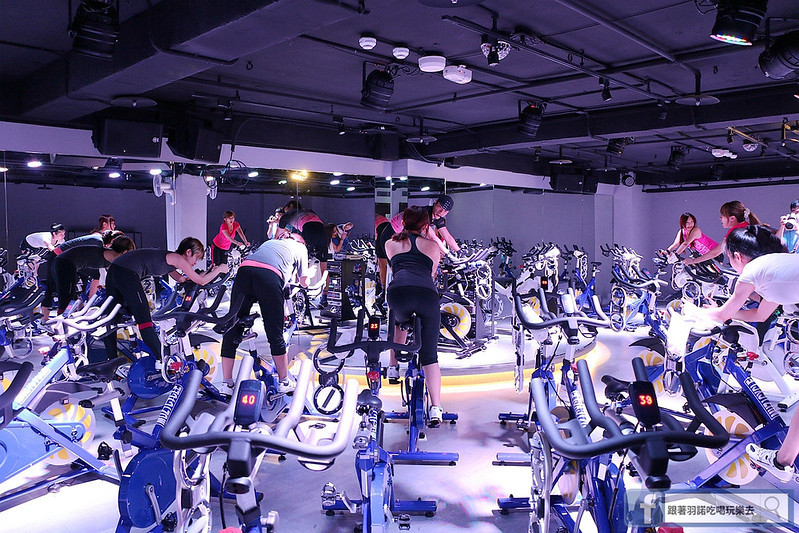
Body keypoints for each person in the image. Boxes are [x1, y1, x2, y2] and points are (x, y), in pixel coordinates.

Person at [691, 225, 797, 482]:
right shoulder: (776, 268)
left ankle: (782, 462)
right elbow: (759, 314)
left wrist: (696, 312)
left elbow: (723, 314)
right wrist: (721, 313)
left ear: (737, 256)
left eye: (729, 258)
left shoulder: (752, 271)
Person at [218, 225, 313, 396]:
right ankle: (284, 381)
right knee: (274, 331)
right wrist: (311, 275)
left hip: (244, 271)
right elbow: (304, 282)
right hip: (269, 277)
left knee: (233, 326)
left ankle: (227, 384)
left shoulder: (270, 243)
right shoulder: (300, 248)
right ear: (301, 241)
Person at [102, 238, 229, 361]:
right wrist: (220, 269)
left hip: (114, 270)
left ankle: (111, 360)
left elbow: (183, 279)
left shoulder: (170, 260)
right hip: (127, 273)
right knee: (145, 321)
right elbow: (200, 281)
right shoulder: (178, 258)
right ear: (188, 252)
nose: (195, 263)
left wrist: (209, 272)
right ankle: (163, 361)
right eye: (196, 258)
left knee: (111, 319)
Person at [383, 206, 445, 425]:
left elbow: (395, 268)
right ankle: (436, 408)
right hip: (426, 294)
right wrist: (430, 237)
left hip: (399, 292)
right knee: (430, 355)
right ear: (426, 225)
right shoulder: (432, 245)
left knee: (398, 321)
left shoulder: (390, 244)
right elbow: (433, 272)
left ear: (403, 222)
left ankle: (393, 367)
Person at [376, 194, 460, 292]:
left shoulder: (437, 217)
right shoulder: (424, 213)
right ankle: (385, 291)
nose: (441, 212)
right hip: (389, 235)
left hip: (403, 236)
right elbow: (432, 237)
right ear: (435, 203)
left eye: (445, 211)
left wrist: (459, 251)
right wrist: (448, 254)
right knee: (392, 268)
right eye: (440, 207)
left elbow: (447, 236)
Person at [51, 235, 135, 315]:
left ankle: (63, 317)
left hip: (64, 261)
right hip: (65, 262)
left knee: (68, 295)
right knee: (67, 296)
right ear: (125, 252)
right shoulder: (113, 256)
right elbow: (120, 272)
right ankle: (61, 320)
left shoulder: (110, 254)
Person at [684, 201, 761, 265]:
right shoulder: (746, 226)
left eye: (722, 215)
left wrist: (693, 261)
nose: (720, 218)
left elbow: (715, 252)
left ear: (732, 218)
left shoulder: (735, 231)